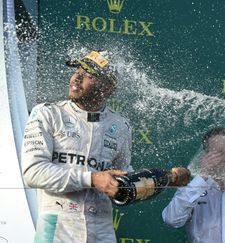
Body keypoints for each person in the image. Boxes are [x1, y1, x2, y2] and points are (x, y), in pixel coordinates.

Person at [21, 50, 190, 242]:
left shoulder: (120, 126)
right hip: (57, 228)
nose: (77, 77)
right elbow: (33, 172)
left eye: (89, 74)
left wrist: (165, 179)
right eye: (77, 70)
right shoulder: (48, 113)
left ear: (107, 88)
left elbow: (124, 183)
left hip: (102, 231)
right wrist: (92, 179)